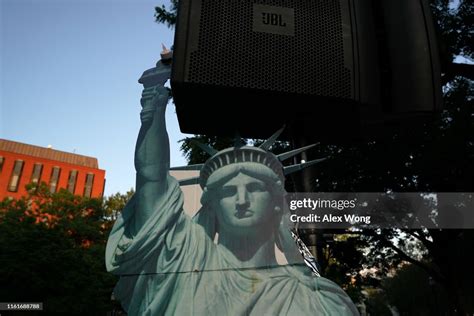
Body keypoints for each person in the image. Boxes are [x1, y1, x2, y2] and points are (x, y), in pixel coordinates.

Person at [105, 61, 359, 315]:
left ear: (276, 203)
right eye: (228, 192)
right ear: (212, 205)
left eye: (255, 188)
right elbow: (151, 177)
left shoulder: (319, 302)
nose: (242, 200)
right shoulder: (183, 260)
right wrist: (155, 109)